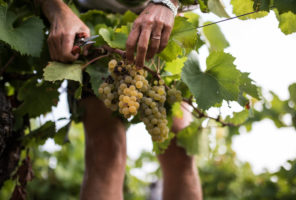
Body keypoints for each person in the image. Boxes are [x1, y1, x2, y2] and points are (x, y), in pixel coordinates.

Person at [39, 0, 202, 199]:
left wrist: (168, 2)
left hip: (165, 21)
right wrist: (56, 8)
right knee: (105, 151)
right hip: (90, 23)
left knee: (181, 149)